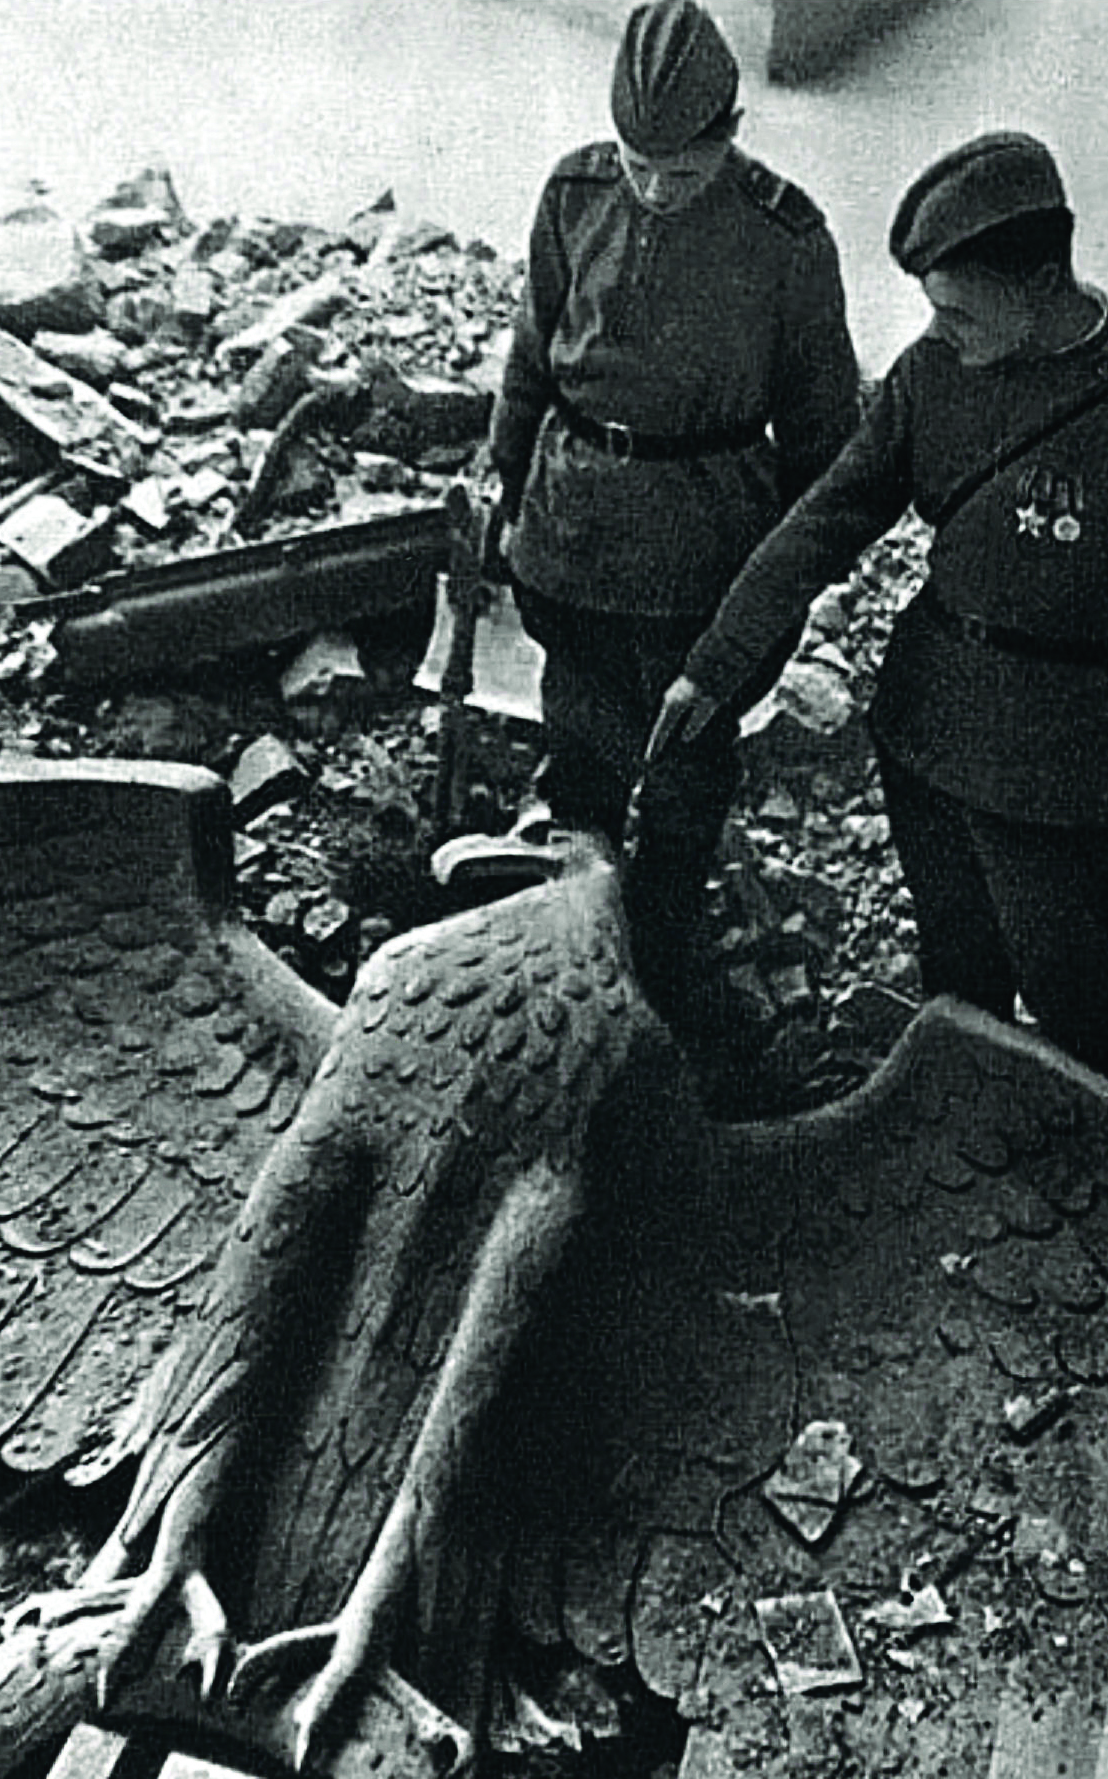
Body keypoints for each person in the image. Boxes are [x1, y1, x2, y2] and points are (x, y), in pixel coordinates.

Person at [634, 131, 1108, 1085]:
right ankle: (965, 1123)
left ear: (1040, 282)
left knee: (1072, 984)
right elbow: (825, 521)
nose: (939, 330)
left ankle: (1095, 1141)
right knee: (956, 967)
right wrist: (716, 662)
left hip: (1054, 771)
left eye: (957, 308)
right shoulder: (932, 376)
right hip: (925, 728)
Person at [440, 0, 860, 1022]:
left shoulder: (784, 238)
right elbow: (532, 354)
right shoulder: (575, 194)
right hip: (571, 528)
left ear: (727, 136)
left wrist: (780, 587)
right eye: (637, 165)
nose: (654, 190)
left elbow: (821, 436)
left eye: (680, 171)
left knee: (681, 766)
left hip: (701, 544)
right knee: (579, 725)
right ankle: (571, 922)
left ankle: (662, 959)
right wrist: (501, 480)